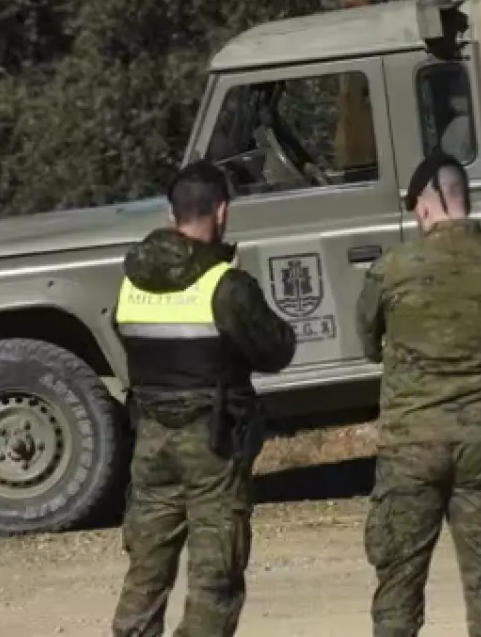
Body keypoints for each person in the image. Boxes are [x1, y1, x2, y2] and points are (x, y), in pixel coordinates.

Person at [111, 161, 297, 637]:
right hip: (213, 442)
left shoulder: (131, 281)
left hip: (151, 441)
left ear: (172, 214)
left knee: (146, 570)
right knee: (216, 577)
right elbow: (277, 350)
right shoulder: (225, 285)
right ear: (222, 212)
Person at [355, 154, 481, 637]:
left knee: (398, 584)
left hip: (411, 446)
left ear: (423, 205)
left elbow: (368, 343)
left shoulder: (391, 269)